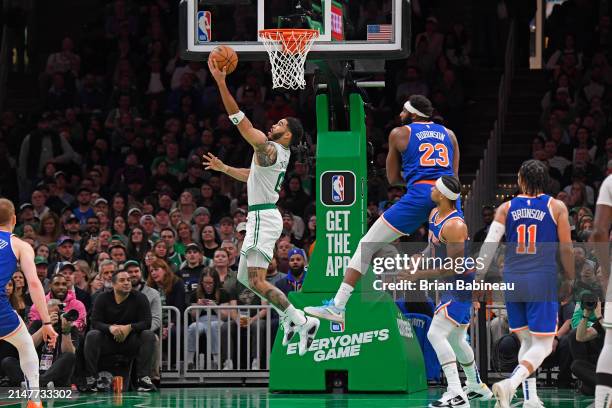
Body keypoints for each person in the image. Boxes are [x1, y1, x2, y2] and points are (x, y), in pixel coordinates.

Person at [305, 95, 460, 325]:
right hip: (447, 197)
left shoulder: (400, 133)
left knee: (366, 245)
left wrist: (411, 179)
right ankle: (458, 320)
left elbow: (392, 177)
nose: (399, 115)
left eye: (403, 112)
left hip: (419, 194)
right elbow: (453, 177)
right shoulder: (450, 135)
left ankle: (338, 306)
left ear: (412, 114)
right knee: (454, 259)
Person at [204, 58, 318, 356]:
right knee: (245, 278)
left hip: (262, 217)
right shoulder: (270, 155)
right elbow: (251, 175)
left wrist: (221, 82)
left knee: (255, 279)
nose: (274, 123)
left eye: (280, 123)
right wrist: (224, 167)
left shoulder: (269, 148)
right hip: (264, 214)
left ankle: (300, 319)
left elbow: (240, 121)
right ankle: (289, 316)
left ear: (289, 135)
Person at [477, 160, 575, 408]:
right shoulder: (557, 207)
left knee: (527, 342)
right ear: (546, 181)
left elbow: (489, 246)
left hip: (512, 279)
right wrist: (570, 278)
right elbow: (566, 248)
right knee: (543, 345)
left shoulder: (506, 207)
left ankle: (531, 399)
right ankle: (511, 384)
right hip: (541, 278)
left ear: (520, 180)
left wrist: (478, 279)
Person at [400, 176, 492, 408]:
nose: (431, 189)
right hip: (449, 283)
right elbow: (432, 246)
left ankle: (455, 393)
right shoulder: (434, 215)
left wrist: (419, 275)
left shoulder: (455, 226)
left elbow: (453, 266)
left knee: (435, 334)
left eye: (435, 187)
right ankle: (476, 386)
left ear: (442, 195)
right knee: (457, 338)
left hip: (459, 283)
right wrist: (418, 259)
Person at [0, 198, 57, 408]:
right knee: (26, 347)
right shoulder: (20, 245)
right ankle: (35, 400)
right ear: (14, 220)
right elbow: (33, 282)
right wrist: (47, 323)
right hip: (1, 311)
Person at [83, 270, 156, 392]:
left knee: (148, 335)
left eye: (128, 280)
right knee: (92, 335)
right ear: (113, 284)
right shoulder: (102, 298)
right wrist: (111, 328)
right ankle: (91, 378)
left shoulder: (140, 298)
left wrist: (129, 327)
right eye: (122, 280)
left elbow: (147, 323)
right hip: (108, 341)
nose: (127, 283)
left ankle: (143, 378)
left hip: (130, 342)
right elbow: (95, 322)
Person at [1, 298, 77, 388]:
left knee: (69, 356)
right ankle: (38, 383)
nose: (56, 317)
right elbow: (28, 346)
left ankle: (37, 383)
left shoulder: (70, 328)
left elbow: (69, 353)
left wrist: (66, 331)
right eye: (52, 314)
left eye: (58, 314)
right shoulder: (37, 324)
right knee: (8, 361)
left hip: (56, 376)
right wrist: (46, 326)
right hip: (35, 371)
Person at [589, 174, 612, 408]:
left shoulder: (610, 182)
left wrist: (606, 272)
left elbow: (598, 232)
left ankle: (602, 402)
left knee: (611, 344)